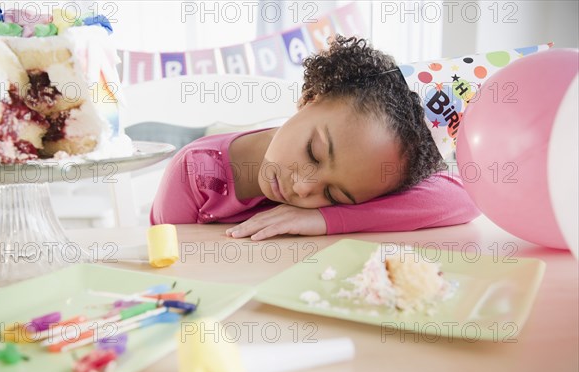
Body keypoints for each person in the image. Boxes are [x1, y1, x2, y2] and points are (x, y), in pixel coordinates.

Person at [150, 35, 480, 240]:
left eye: (334, 193)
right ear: (311, 96)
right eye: (314, 153)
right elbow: (164, 268)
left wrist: (325, 218)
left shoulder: (367, 176)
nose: (305, 188)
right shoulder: (193, 175)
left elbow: (466, 196)